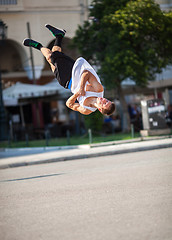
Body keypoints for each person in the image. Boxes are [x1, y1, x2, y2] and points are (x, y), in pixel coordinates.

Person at [23, 24, 116, 115]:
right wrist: (81, 88)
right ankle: (41, 44)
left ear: (100, 109)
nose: (103, 100)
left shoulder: (87, 109)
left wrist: (76, 94)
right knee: (51, 57)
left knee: (52, 61)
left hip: (66, 84)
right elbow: (86, 73)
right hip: (73, 72)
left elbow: (69, 104)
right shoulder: (98, 90)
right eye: (107, 100)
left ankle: (58, 36)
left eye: (104, 103)